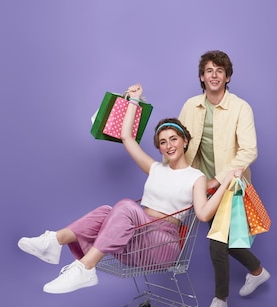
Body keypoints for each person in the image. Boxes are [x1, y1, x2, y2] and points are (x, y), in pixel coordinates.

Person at [18, 83, 241, 294]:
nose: (169, 145)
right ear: (160, 148)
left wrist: (227, 181)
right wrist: (133, 101)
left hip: (163, 245)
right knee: (107, 211)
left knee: (125, 206)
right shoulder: (155, 168)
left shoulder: (196, 177)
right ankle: (55, 241)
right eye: (163, 142)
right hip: (136, 241)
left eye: (173, 139)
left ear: (184, 141)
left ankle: (85, 267)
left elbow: (202, 214)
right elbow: (127, 138)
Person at [179, 50, 270, 307]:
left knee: (217, 243)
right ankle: (257, 272)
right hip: (199, 187)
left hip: (229, 186)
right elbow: (178, 142)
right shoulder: (190, 106)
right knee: (226, 239)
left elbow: (249, 150)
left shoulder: (241, 107)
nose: (214, 75)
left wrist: (219, 179)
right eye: (209, 70)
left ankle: (221, 299)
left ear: (227, 76)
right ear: (202, 77)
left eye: (220, 70)